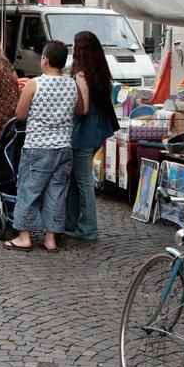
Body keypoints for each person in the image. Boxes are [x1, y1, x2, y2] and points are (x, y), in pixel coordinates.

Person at [4, 41, 78, 252]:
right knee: (56, 193)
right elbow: (78, 109)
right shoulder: (71, 84)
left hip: (38, 146)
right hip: (64, 147)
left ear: (45, 59)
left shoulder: (35, 84)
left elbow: (20, 114)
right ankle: (51, 238)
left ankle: (24, 236)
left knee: (29, 190)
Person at [65, 31, 117, 241]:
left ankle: (87, 228)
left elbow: (83, 108)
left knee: (84, 182)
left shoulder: (81, 73)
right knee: (78, 179)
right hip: (97, 129)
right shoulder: (100, 70)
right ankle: (70, 223)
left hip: (83, 133)